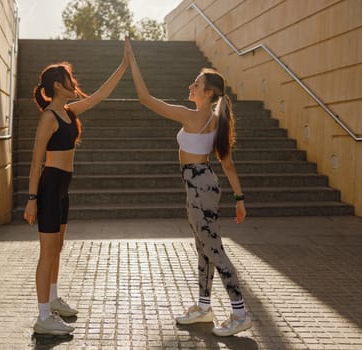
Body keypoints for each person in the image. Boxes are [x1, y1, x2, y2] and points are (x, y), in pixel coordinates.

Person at [126, 39, 252, 337]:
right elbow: (228, 165)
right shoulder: (214, 119)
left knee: (213, 249)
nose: (191, 86)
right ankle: (204, 306)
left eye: (196, 84)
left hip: (199, 188)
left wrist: (132, 61)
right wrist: (239, 199)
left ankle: (240, 312)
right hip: (203, 184)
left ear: (208, 93)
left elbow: (145, 98)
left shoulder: (192, 115)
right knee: (203, 248)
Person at [24, 39, 129, 335]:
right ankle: (43, 317)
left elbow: (100, 95)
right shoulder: (48, 118)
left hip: (62, 188)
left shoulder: (68, 112)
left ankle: (53, 300)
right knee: (47, 252)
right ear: (58, 85)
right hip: (48, 186)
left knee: (57, 248)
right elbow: (35, 163)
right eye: (69, 79)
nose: (74, 83)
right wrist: (32, 199)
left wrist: (124, 65)